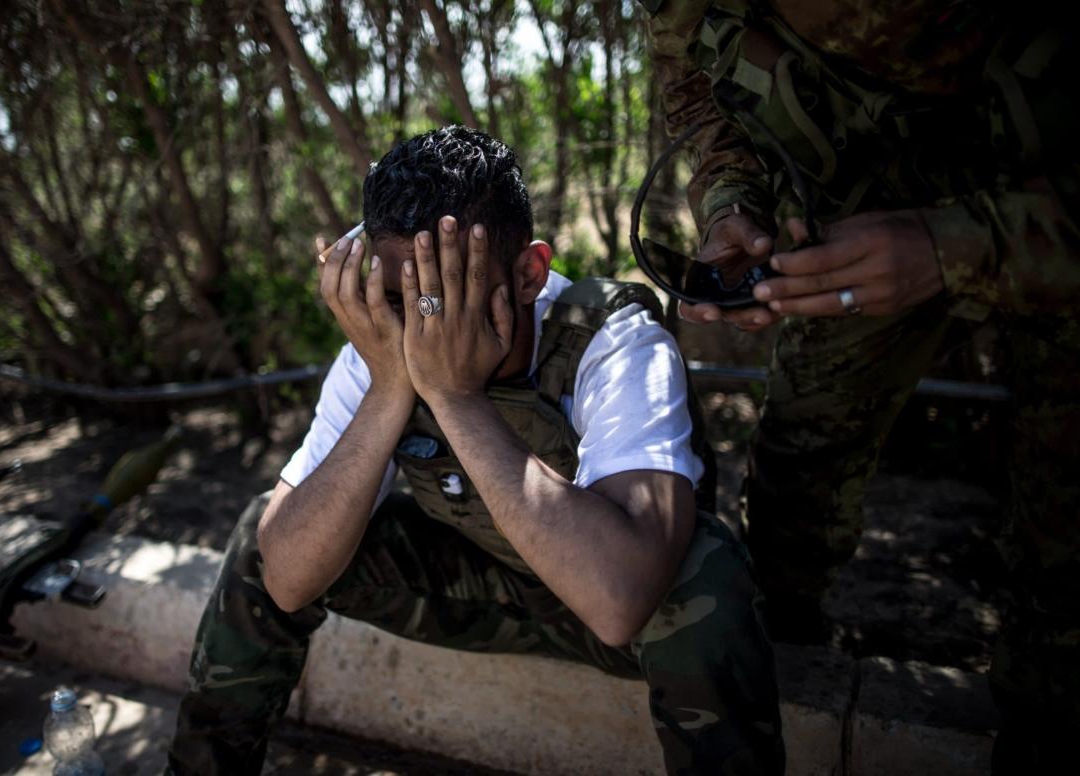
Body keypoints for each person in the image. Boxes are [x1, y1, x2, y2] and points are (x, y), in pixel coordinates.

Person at [167, 126, 785, 775]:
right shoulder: (384, 342)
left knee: (704, 569)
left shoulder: (616, 343)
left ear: (528, 274)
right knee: (270, 527)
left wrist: (456, 398)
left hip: (622, 619)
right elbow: (287, 578)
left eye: (451, 291)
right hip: (479, 589)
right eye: (405, 297)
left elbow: (619, 600)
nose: (427, 325)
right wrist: (389, 390)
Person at [639, 0, 1078, 768]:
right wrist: (732, 206)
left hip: (1050, 222)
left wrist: (959, 246)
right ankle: (789, 675)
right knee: (793, 486)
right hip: (849, 230)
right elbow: (701, 101)